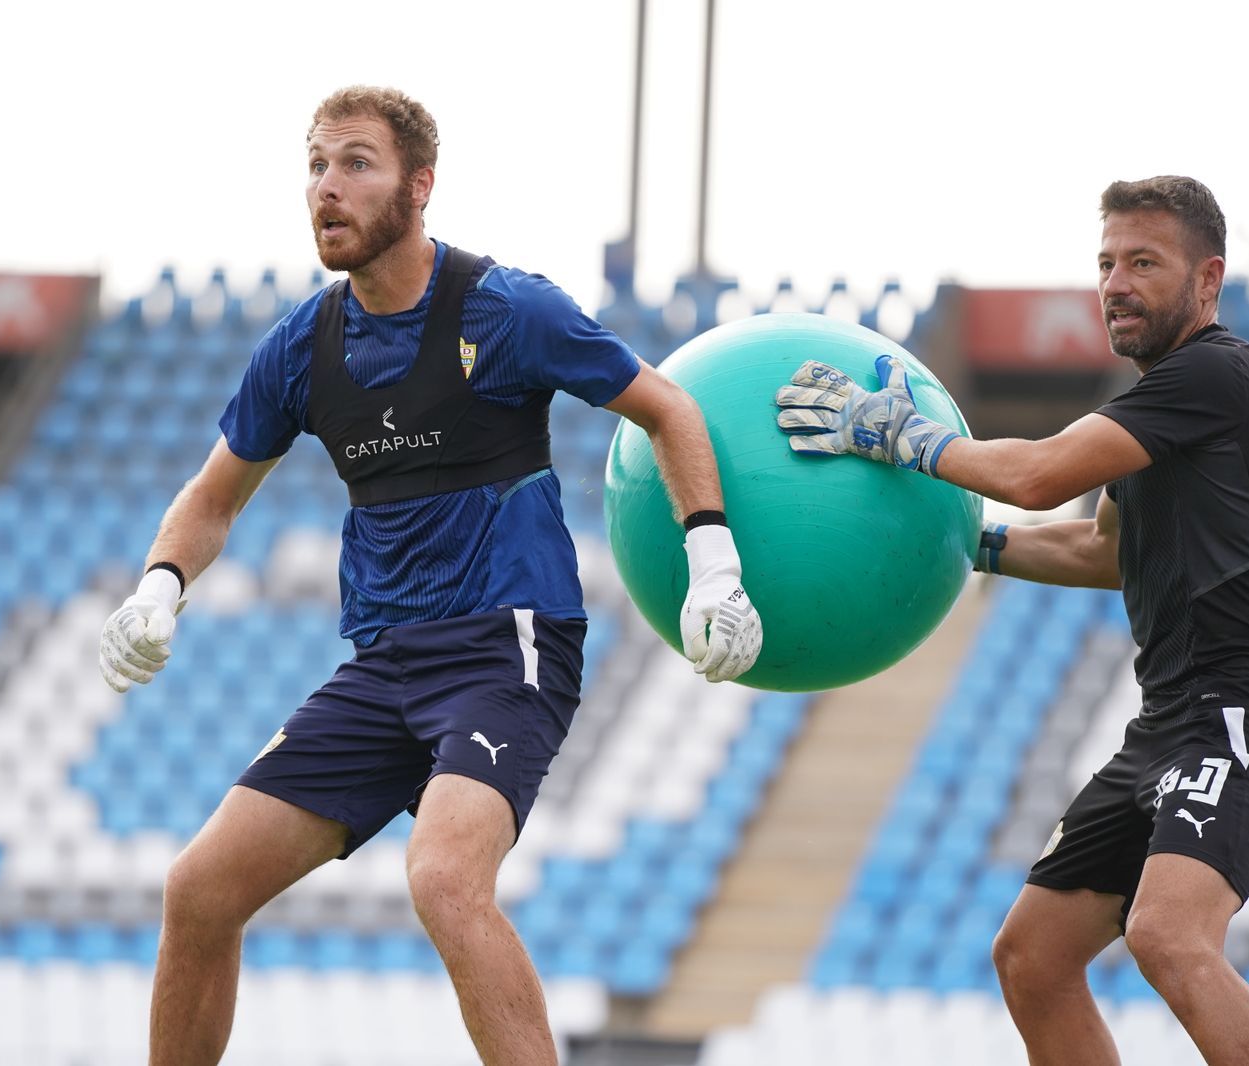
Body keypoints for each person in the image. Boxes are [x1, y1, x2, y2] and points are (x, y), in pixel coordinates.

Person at [97, 85, 764, 1066]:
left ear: (420, 186)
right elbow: (209, 497)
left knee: (444, 878)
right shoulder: (300, 347)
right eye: (316, 165)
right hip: (383, 667)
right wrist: (158, 586)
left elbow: (667, 407)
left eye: (355, 163)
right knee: (199, 889)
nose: (327, 186)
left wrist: (713, 563)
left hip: (507, 646)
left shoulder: (506, 308)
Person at [774, 175, 1249, 1065]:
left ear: (1208, 282)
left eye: (1144, 263)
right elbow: (1100, 553)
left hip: (1241, 713)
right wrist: (969, 543)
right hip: (1168, 724)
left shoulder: (1213, 371)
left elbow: (1039, 475)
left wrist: (899, 438)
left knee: (1169, 937)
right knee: (1032, 959)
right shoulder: (1162, 401)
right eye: (1107, 262)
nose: (1116, 282)